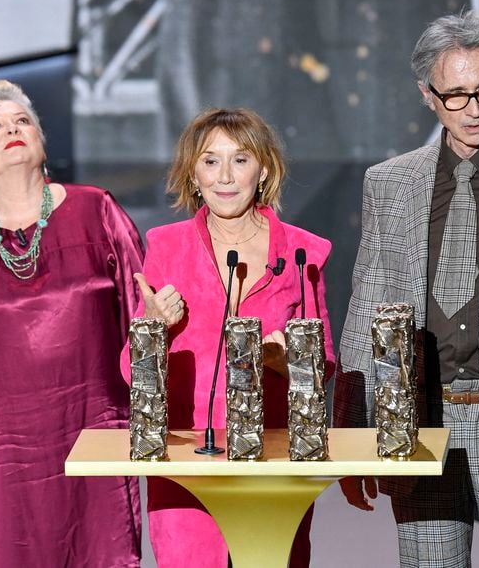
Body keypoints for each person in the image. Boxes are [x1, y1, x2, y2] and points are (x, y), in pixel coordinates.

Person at [0, 80, 144, 567]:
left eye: (22, 121)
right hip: (1, 452)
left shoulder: (97, 211)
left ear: (42, 140)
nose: (11, 130)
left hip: (95, 431)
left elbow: (141, 315)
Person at [120, 107, 335, 567]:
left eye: (240, 160)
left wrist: (286, 360)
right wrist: (153, 328)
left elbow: (324, 365)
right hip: (186, 463)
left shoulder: (302, 253)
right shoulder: (167, 247)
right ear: (192, 174)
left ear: (263, 170)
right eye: (210, 161)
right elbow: (128, 371)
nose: (225, 176)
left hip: (274, 460)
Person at [334, 12, 479, 567]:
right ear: (428, 96)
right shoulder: (390, 183)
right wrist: (356, 435)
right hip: (423, 422)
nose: (474, 109)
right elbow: (367, 309)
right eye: (455, 95)